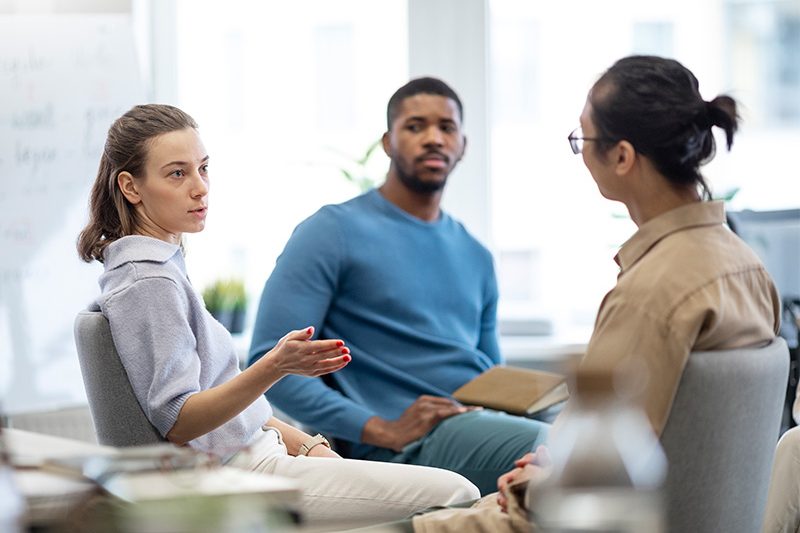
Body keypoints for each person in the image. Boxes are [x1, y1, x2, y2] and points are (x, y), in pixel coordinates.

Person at [409, 55, 782, 532]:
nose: (581, 152)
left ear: (623, 157)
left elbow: (591, 477)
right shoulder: (747, 266)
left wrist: (534, 480)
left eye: (582, 138)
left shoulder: (653, 293)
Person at [75, 104, 479, 527]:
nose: (200, 188)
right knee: (459, 493)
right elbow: (180, 421)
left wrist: (307, 445)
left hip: (262, 455)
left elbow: (229, 407)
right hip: (239, 474)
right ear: (131, 187)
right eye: (177, 173)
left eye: (204, 168)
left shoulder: (160, 269)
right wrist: (275, 365)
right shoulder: (149, 283)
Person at [248, 77, 548, 495]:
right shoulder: (331, 231)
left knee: (615, 439)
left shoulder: (475, 254)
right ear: (388, 142)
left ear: (463, 144)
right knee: (568, 453)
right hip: (401, 445)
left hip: (476, 424)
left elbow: (489, 373)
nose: (433, 138)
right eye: (415, 126)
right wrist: (378, 428)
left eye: (446, 128)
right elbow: (270, 363)